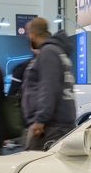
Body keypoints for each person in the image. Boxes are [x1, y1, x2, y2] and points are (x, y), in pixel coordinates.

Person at [23, 17, 76, 151]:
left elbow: (49, 87)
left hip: (51, 126)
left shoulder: (48, 52)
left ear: (33, 34)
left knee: (34, 161)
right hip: (58, 124)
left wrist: (41, 119)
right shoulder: (58, 51)